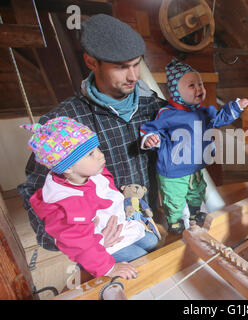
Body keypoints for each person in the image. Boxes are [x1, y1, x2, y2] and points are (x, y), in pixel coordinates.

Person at [17, 14, 167, 251]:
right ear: (91, 62)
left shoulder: (155, 108)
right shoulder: (63, 123)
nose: (133, 76)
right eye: (121, 67)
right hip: (103, 241)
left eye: (136, 64)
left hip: (151, 220)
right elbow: (35, 192)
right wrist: (78, 242)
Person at [22, 117, 159, 279]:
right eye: (90, 154)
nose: (101, 156)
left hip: (117, 227)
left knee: (152, 242)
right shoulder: (66, 202)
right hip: (95, 245)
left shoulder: (92, 173)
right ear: (68, 168)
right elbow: (78, 244)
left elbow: (108, 191)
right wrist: (108, 268)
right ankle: (96, 267)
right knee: (140, 257)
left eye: (98, 149)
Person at [140, 58, 248, 234]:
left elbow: (220, 118)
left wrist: (236, 106)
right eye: (192, 85)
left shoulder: (204, 112)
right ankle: (175, 221)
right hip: (174, 170)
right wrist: (150, 138)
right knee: (174, 198)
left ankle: (194, 213)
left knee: (197, 192)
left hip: (196, 166)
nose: (199, 88)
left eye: (200, 84)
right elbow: (151, 129)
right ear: (176, 91)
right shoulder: (167, 114)